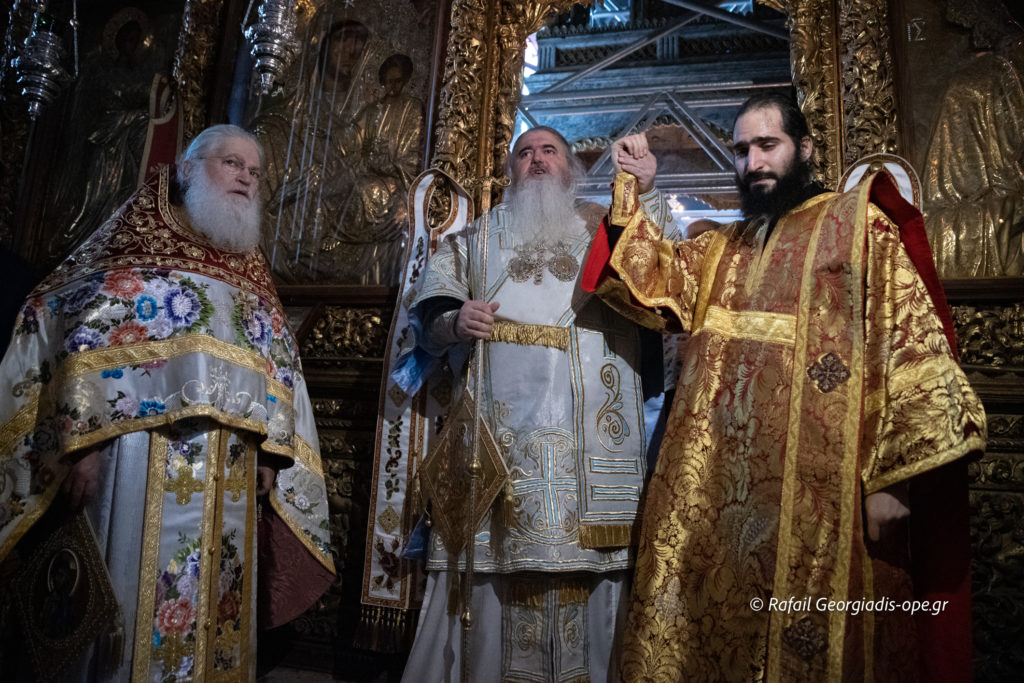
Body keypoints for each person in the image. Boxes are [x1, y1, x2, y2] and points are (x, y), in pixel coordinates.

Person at [584, 93, 986, 681]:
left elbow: (912, 348)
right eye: (742, 151)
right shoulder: (724, 247)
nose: (753, 163)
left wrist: (895, 480)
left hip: (827, 502)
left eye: (767, 145)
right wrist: (633, 188)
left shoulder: (857, 227)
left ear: (805, 148)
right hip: (715, 508)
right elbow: (645, 280)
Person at [0, 124, 334, 680]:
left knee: (215, 612)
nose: (246, 179)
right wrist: (81, 443)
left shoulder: (247, 266)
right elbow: (78, 333)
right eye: (233, 164)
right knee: (130, 608)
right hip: (137, 459)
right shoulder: (136, 242)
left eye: (254, 172)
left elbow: (279, 366)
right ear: (187, 169)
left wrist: (274, 453)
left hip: (229, 468)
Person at [400, 126, 672, 682]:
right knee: (494, 573)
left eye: (549, 151)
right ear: (510, 173)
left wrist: (645, 190)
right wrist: (455, 321)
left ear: (571, 170)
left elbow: (664, 281)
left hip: (592, 443)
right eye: (524, 153)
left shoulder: (608, 228)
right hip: (501, 450)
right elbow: (425, 325)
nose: (537, 160)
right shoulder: (475, 241)